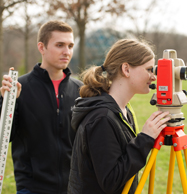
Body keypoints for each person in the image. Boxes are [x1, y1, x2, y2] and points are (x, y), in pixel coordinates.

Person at [67, 38, 170, 194]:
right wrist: (144, 139)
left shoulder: (124, 110)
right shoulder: (102, 118)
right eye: (149, 70)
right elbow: (111, 180)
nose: (154, 77)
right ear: (126, 69)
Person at [0, 20, 83, 194]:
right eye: (60, 45)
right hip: (32, 188)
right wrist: (7, 101)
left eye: (70, 45)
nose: (67, 51)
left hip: (73, 188)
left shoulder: (81, 90)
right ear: (42, 47)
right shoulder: (19, 87)